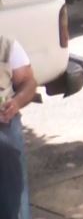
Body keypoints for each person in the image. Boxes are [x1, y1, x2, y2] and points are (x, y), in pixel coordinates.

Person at [0, 35, 37, 219]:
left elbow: (29, 83)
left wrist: (16, 102)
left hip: (4, 122)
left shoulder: (7, 47)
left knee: (9, 156)